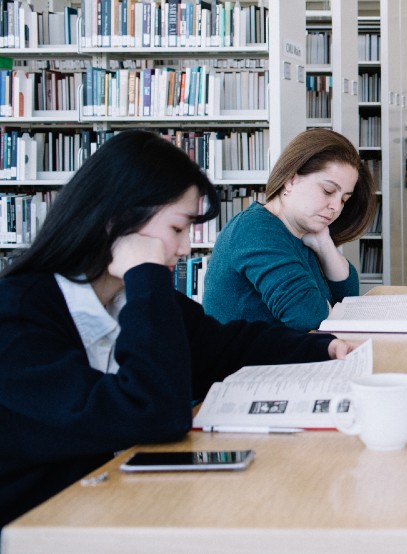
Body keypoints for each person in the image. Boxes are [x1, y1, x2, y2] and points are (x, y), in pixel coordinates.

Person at [0, 130, 353, 529]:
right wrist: (146, 274)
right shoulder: (16, 318)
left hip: (107, 505)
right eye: (176, 230)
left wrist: (324, 350)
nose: (185, 249)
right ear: (118, 223)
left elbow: (225, 347)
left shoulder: (125, 299)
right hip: (35, 527)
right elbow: (153, 413)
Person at [203, 128, 377, 331]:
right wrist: (325, 308)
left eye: (344, 199)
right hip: (250, 362)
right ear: (291, 179)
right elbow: (307, 314)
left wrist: (324, 244)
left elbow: (348, 298)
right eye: (328, 191)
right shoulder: (255, 230)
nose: (336, 207)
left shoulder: (300, 231)